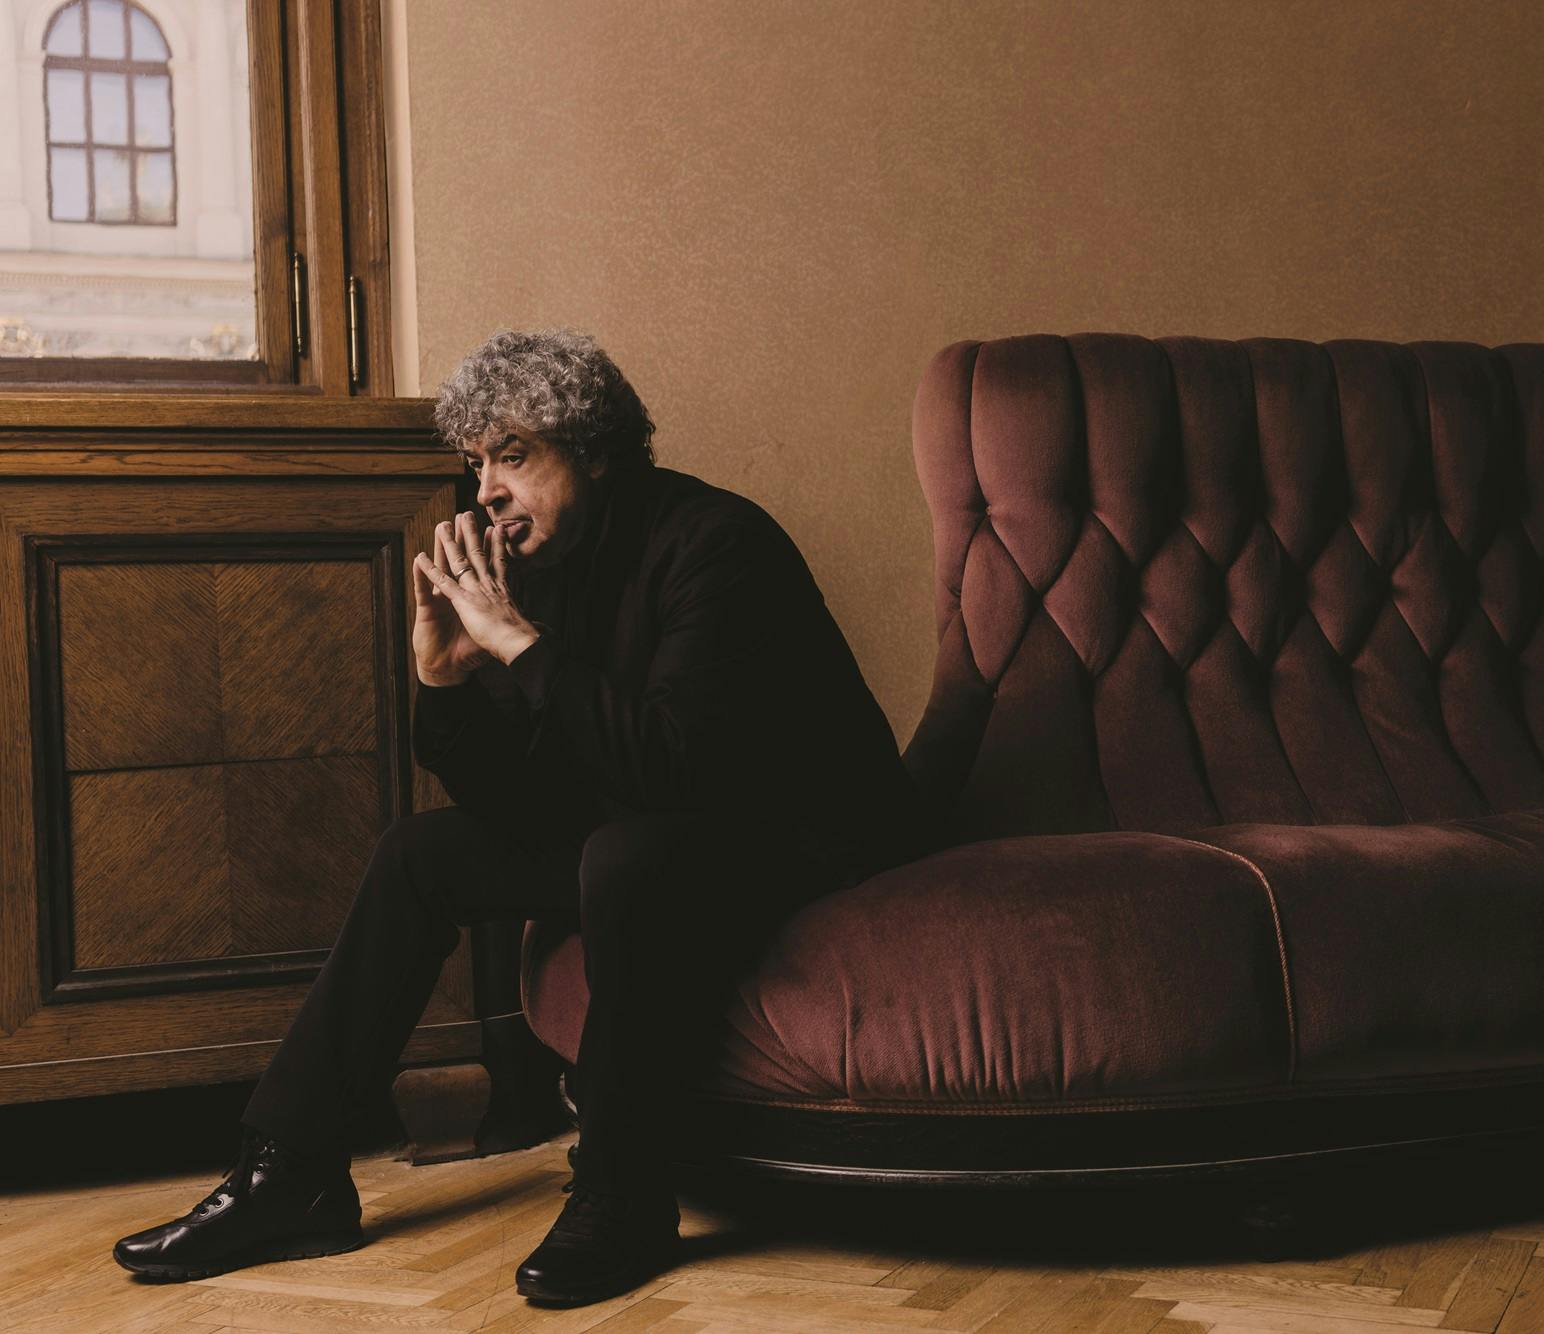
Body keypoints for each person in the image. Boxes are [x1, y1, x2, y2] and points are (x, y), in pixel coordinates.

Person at [110, 328, 933, 1306]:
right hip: (648, 826)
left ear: (592, 449)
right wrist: (448, 678)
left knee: (625, 856)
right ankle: (292, 1172)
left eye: (513, 455)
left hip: (802, 832)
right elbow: (524, 808)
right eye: (474, 463)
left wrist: (517, 642)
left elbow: (672, 768)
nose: (486, 489)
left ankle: (623, 1190)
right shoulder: (536, 574)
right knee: (423, 852)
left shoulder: (719, 542)